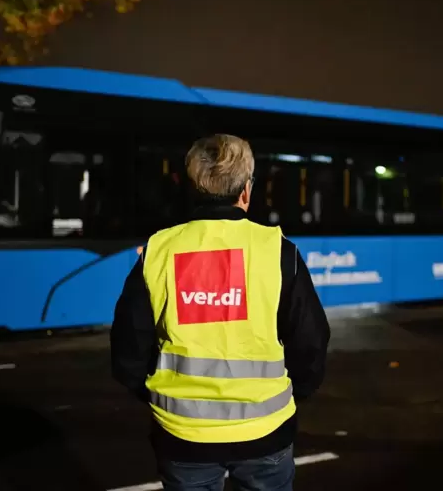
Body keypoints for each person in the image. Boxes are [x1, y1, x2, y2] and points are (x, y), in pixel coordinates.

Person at [110, 134, 330, 491]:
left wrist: (158, 396)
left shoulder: (158, 250)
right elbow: (311, 341)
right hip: (266, 433)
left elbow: (127, 349)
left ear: (191, 187)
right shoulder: (278, 252)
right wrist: (293, 395)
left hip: (182, 436)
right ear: (246, 191)